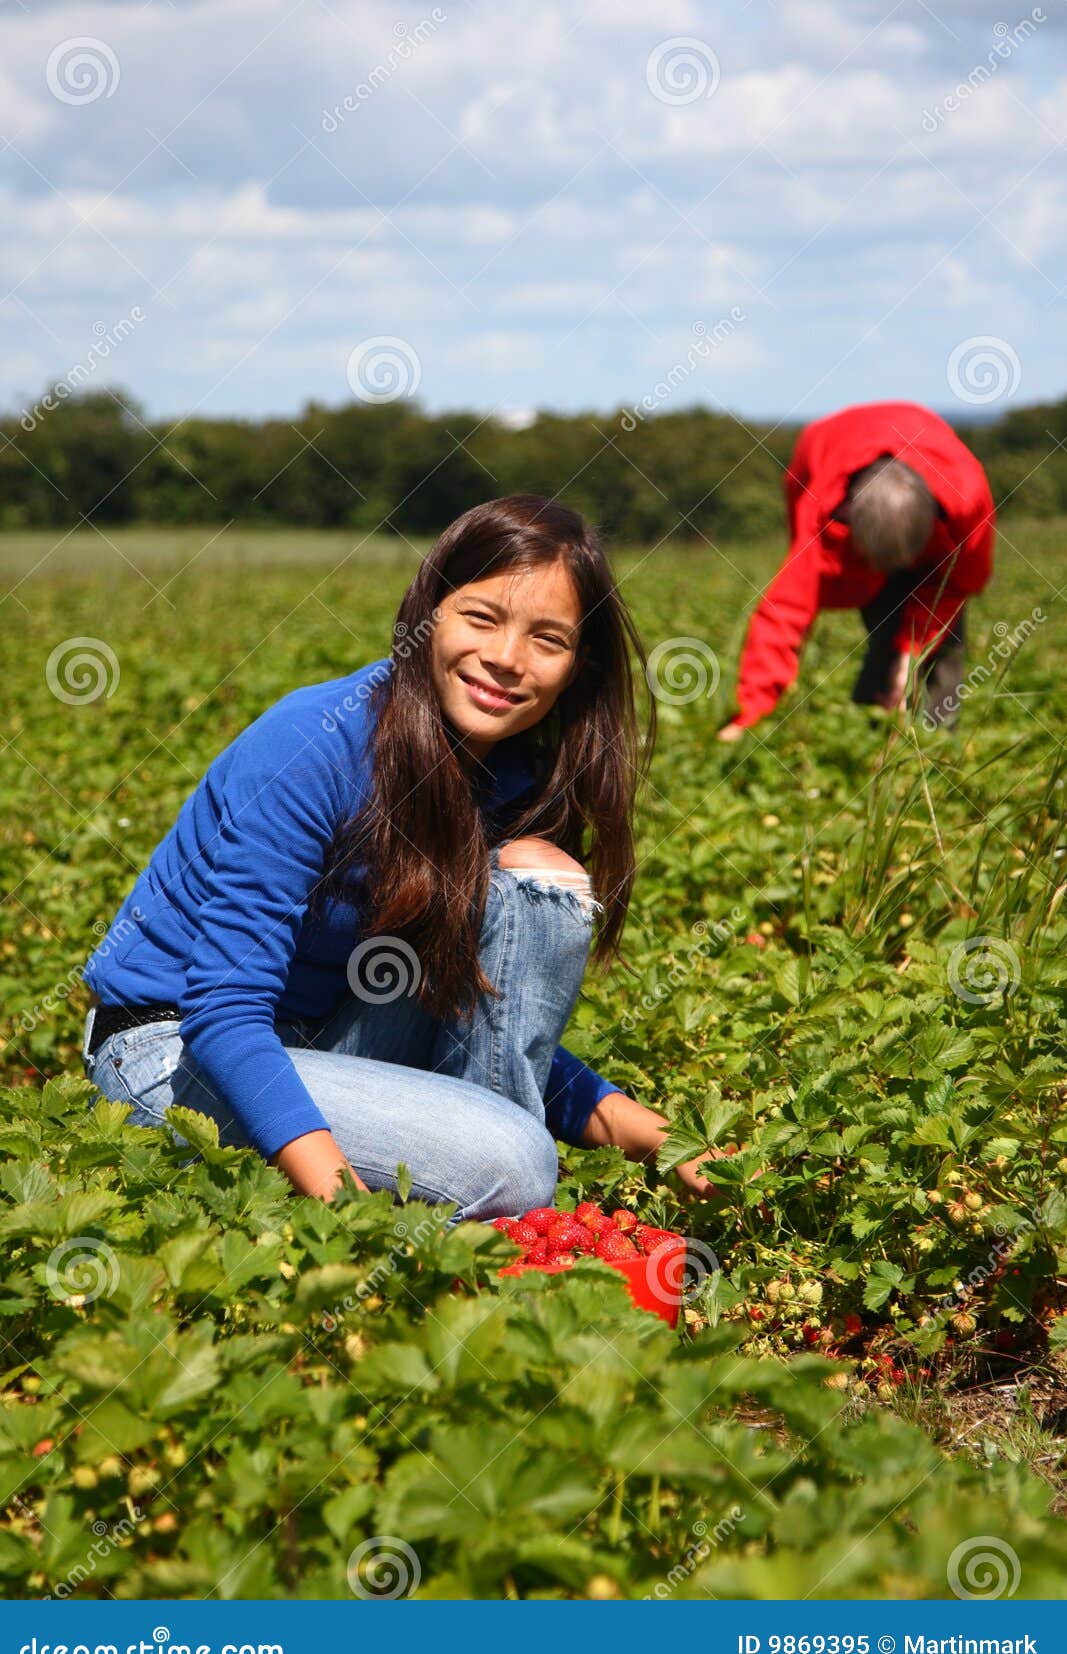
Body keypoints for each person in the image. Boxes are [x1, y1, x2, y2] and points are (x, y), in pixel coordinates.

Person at [82, 495, 717, 1219]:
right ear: (428, 615)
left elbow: (485, 1016)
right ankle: (493, 1211)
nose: (506, 659)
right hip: (173, 1055)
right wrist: (347, 1216)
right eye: (481, 618)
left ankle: (491, 1198)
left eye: (548, 639)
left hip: (321, 1041)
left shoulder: (507, 778)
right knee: (510, 1159)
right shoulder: (315, 743)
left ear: (578, 666)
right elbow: (224, 1011)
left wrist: (664, 1142)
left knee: (538, 884)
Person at [717, 402, 996, 739]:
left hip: (938, 523)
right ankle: (874, 734)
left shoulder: (967, 501)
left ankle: (938, 745)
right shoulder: (822, 515)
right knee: (887, 633)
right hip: (828, 458)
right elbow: (785, 613)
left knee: (945, 646)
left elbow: (958, 584)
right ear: (849, 520)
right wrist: (751, 712)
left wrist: (914, 648)